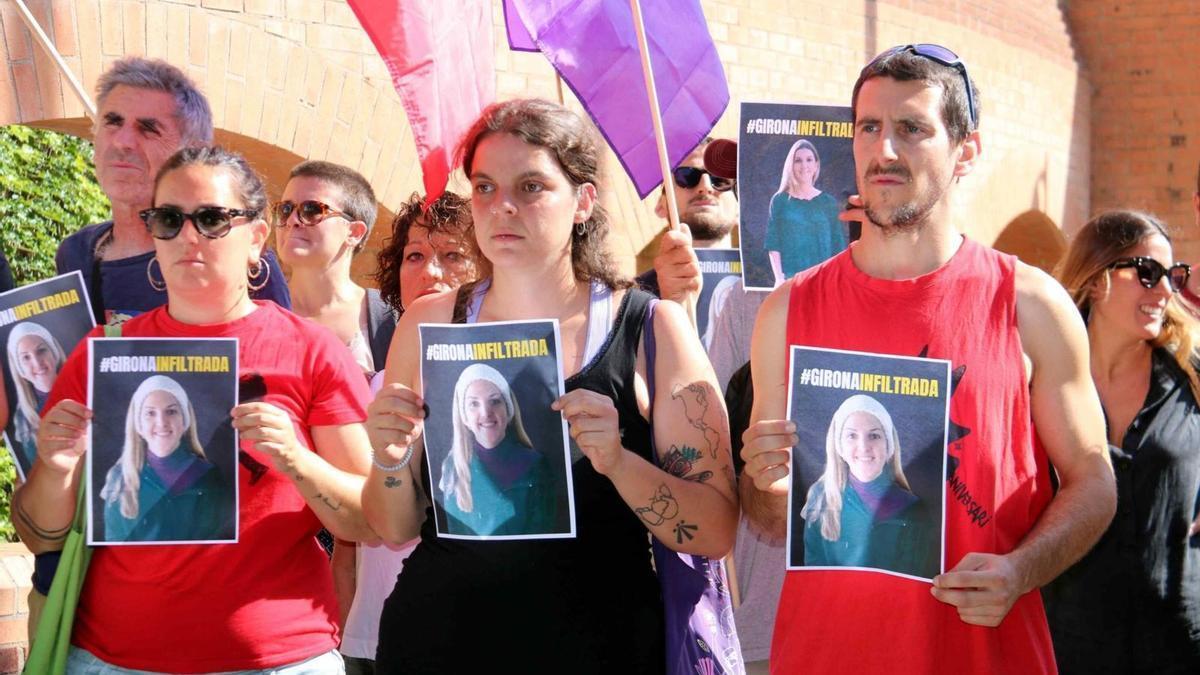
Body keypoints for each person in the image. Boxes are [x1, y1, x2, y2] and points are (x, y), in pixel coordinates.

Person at [740, 44, 1116, 674]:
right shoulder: (786, 310)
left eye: (912, 129)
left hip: (984, 657)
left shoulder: (1031, 305)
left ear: (965, 151)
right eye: (869, 127)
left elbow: (1093, 478)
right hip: (823, 655)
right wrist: (765, 483)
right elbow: (771, 516)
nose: (884, 150)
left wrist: (1021, 569)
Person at [363, 98, 738, 673]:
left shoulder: (649, 328)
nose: (502, 207)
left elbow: (713, 529)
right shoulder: (428, 323)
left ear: (583, 200)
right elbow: (391, 526)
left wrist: (617, 461)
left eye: (531, 186)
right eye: (484, 187)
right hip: (436, 643)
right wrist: (391, 458)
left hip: (600, 647)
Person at [21, 145, 373, 672]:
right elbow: (38, 533)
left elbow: (368, 522)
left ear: (256, 238)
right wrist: (55, 467)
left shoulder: (311, 350)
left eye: (211, 219)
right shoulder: (104, 352)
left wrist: (299, 461)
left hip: (276, 658)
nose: (188, 236)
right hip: (112, 659)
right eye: (168, 219)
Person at [1043, 210, 1200, 673]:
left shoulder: (1192, 375)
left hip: (1178, 641)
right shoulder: (1037, 379)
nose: (1166, 291)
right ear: (1095, 280)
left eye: (1173, 275)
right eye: (1147, 273)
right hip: (1067, 642)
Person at [337, 191, 479, 675]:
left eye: (454, 254)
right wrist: (346, 628)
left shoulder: (514, 380)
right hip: (376, 636)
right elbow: (351, 538)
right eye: (415, 255)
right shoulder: (371, 386)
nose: (431, 272)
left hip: (475, 631)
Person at [54, 57, 289, 326]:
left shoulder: (233, 250)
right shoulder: (76, 254)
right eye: (113, 122)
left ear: (192, 151)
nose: (122, 142)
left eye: (148, 129)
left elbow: (280, 354)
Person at [799, 394, 934, 577]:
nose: (863, 446)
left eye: (874, 435)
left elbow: (914, 580)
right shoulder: (820, 496)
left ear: (889, 445)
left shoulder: (912, 509)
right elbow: (813, 570)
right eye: (851, 435)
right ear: (839, 446)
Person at [275, 160, 389, 375]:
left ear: (354, 232)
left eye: (311, 210)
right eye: (285, 209)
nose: (292, 220)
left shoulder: (388, 319)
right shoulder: (252, 310)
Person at [99, 374, 233, 543]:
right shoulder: (119, 479)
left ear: (185, 421)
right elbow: (114, 545)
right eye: (150, 413)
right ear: (138, 425)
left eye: (171, 411)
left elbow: (217, 542)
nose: (162, 422)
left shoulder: (208, 477)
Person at [437, 363, 557, 536]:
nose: (486, 413)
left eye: (495, 401)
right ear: (464, 417)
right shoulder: (452, 468)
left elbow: (543, 532)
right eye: (473, 404)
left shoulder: (536, 466)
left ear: (508, 411)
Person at [636, 137, 739, 305]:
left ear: (740, 208)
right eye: (687, 176)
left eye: (720, 179)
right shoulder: (634, 301)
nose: (705, 186)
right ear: (661, 205)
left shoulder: (771, 287)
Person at [764, 139, 846, 283]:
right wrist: (779, 279)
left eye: (809, 160)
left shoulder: (828, 202)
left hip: (823, 280)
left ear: (816, 165)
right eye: (798, 161)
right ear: (791, 165)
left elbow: (838, 246)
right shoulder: (780, 201)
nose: (804, 165)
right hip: (791, 281)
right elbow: (773, 244)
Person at [5, 322, 66, 470]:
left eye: (41, 351)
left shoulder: (85, 387)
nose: (37, 363)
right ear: (20, 370)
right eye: (26, 358)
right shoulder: (23, 418)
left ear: (54, 352)